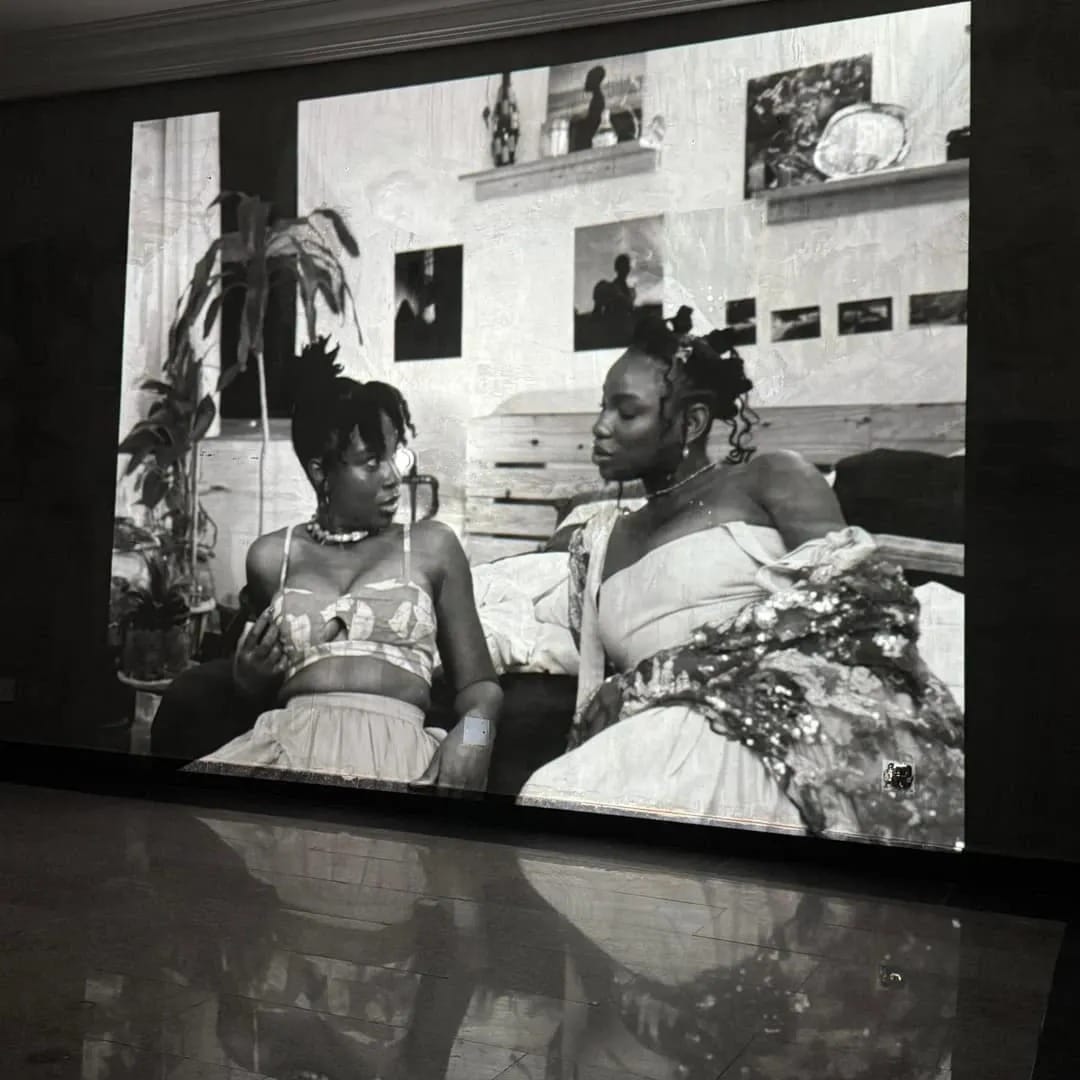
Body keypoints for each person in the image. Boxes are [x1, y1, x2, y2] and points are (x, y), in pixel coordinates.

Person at [518, 317, 964, 848]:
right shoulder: (597, 541)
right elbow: (595, 691)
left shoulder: (771, 479)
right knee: (554, 799)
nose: (600, 426)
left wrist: (671, 673)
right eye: (602, 407)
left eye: (626, 411)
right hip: (659, 733)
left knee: (563, 800)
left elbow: (860, 602)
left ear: (692, 421)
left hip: (783, 718)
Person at [193, 340, 501, 792]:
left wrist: (475, 740)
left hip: (398, 761)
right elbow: (260, 689)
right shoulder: (271, 556)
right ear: (321, 472)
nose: (393, 477)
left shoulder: (433, 546)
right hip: (284, 752)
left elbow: (481, 689)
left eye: (394, 456)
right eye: (371, 463)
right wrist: (247, 680)